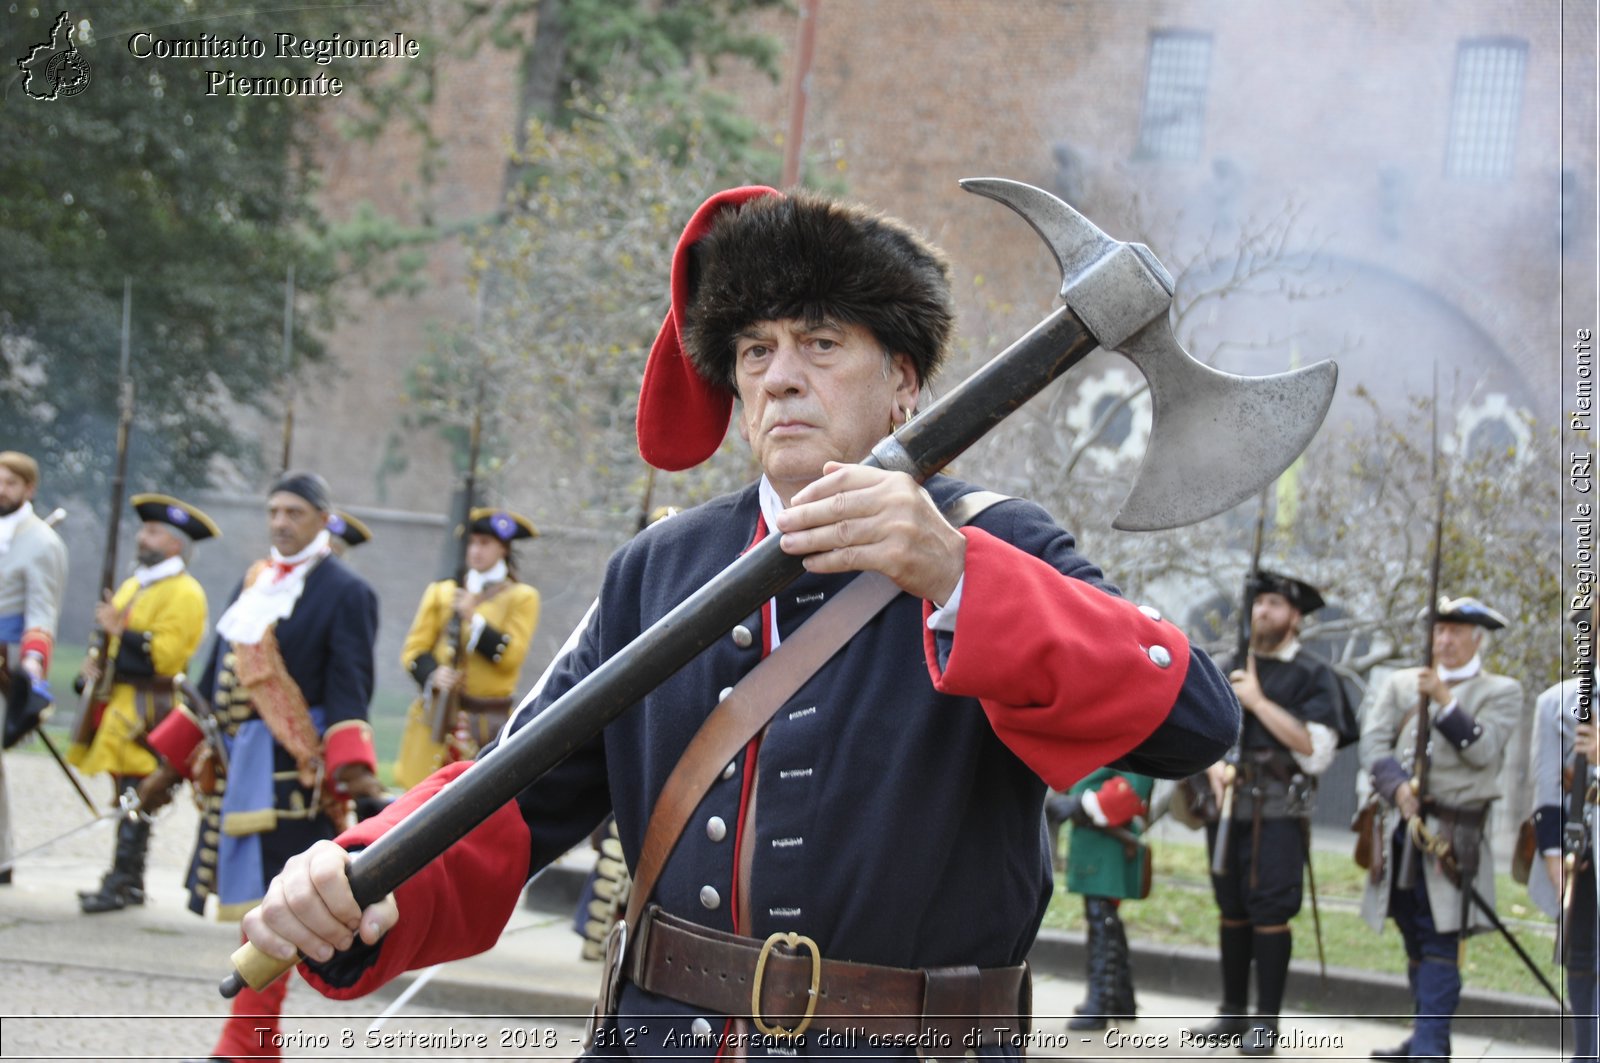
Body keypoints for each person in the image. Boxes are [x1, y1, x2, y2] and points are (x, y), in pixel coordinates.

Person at [241, 186, 1240, 1056]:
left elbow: (1191, 716)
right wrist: (363, 878)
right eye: (755, 349)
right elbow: (515, 788)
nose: (779, 376)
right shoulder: (661, 565)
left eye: (820, 342)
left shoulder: (993, 544)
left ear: (903, 381)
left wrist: (952, 574)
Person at [136, 471, 383, 1063]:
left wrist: (362, 786)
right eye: (274, 510)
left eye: (294, 512)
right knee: (253, 912)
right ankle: (253, 1047)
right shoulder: (252, 581)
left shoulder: (347, 592)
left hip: (293, 784)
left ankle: (245, 1045)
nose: (280, 522)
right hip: (236, 775)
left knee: (279, 916)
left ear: (323, 519)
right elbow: (207, 688)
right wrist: (166, 770)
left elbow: (351, 696)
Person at [1188, 571, 1350, 1055]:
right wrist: (1212, 765)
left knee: (1271, 912)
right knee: (1231, 910)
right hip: (1228, 807)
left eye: (1275, 604)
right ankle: (1233, 1014)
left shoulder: (1314, 675)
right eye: (1259, 602)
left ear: (1295, 616)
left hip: (1278, 812)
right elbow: (1199, 731)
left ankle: (1266, 1023)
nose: (1263, 611)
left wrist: (1257, 701)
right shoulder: (1227, 665)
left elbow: (1314, 751)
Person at [1358, 595, 1524, 1062]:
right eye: (1439, 630)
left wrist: (1445, 701)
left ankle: (1431, 1043)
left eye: (1455, 632)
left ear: (1476, 639)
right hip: (1402, 825)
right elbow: (1374, 744)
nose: (1445, 640)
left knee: (1440, 935)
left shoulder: (1501, 690)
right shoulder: (1400, 683)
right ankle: (1426, 1035)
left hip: (1453, 836)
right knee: (1412, 930)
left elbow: (1483, 751)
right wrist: (1396, 788)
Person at [67, 493, 217, 913]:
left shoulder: (186, 593)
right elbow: (108, 645)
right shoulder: (136, 584)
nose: (142, 538)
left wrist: (121, 632)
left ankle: (122, 881)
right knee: (125, 794)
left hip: (149, 709)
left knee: (139, 794)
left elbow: (165, 656)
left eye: (152, 532)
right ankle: (127, 879)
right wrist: (92, 670)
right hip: (119, 703)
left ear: (174, 544)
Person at [394, 507, 540, 788]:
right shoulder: (442, 592)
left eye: (484, 543)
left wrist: (474, 619)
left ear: (504, 548)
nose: (475, 551)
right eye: (471, 543)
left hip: (486, 723)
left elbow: (509, 657)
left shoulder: (522, 598)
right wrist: (433, 674)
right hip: (437, 716)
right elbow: (414, 650)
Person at [1528, 607, 1598, 1063]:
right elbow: (1547, 786)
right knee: (1580, 952)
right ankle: (1584, 1051)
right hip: (1581, 850)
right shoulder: (1559, 702)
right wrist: (1554, 855)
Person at [0, 450, 68, 886]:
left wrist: (30, 668)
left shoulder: (43, 542)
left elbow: (42, 613)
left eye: (9, 482)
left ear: (29, 489)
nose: (1, 489)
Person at [1046, 769, 1153, 1031]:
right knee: (1103, 916)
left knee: (1101, 915)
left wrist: (1081, 803)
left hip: (1111, 836)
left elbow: (1133, 785)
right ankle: (1120, 999)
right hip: (1093, 837)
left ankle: (1101, 1001)